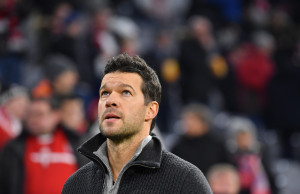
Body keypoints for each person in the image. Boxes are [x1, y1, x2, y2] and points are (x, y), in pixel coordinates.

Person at [62, 53, 212, 193]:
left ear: (151, 110)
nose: (110, 101)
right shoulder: (76, 185)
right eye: (105, 93)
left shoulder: (185, 181)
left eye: (126, 92)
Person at [0, 97, 86, 194]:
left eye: (39, 114)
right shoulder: (14, 148)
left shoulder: (77, 144)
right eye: (30, 114)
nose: (33, 119)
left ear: (56, 115)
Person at [171, 103, 233, 175]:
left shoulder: (217, 143)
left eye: (192, 120)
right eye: (186, 120)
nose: (188, 124)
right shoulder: (178, 146)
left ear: (203, 123)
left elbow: (228, 168)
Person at [0, 85, 30, 150]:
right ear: (6, 103)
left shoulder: (21, 123)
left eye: (26, 102)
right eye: (19, 103)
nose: (25, 106)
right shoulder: (2, 123)